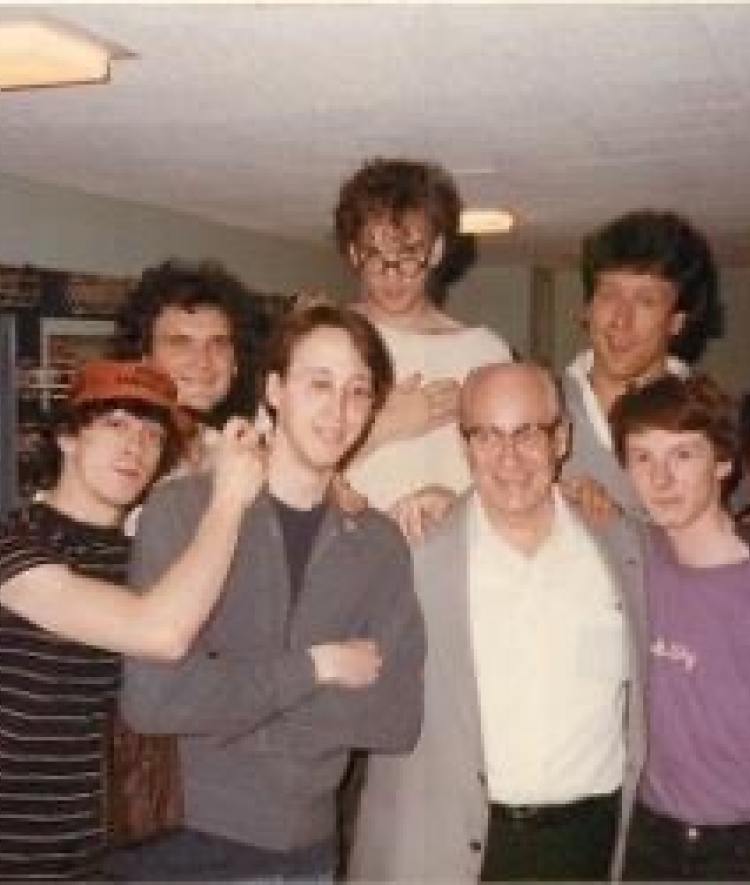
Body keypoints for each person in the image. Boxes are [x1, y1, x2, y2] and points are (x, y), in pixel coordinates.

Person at [118, 303, 426, 881]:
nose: (338, 411)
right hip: (187, 845)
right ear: (275, 390)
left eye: (358, 391)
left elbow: (394, 717)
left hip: (311, 849)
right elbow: (154, 702)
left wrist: (228, 700)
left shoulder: (379, 544)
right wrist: (316, 670)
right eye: (319, 385)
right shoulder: (184, 511)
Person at [350, 362, 633, 882]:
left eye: (527, 433)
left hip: (587, 844)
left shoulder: (622, 551)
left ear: (562, 439)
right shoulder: (414, 555)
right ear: (464, 445)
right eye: (486, 436)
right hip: (448, 850)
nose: (508, 459)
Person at [0, 359, 264, 881]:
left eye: (150, 431)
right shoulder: (14, 546)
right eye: (115, 423)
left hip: (110, 858)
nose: (135, 446)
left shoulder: (150, 561)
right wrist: (229, 498)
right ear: (69, 438)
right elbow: (158, 633)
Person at [609, 373, 750, 881]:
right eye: (643, 457)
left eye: (683, 455)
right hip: (647, 841)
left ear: (725, 462)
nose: (661, 479)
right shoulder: (628, 558)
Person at [335, 157, 513, 536]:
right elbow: (277, 474)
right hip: (345, 561)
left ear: (435, 251)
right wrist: (381, 427)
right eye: (375, 256)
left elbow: (515, 474)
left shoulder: (485, 353)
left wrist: (456, 503)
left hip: (453, 558)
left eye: (409, 255)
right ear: (353, 254)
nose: (392, 274)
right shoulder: (322, 341)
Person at [562, 209, 722, 518]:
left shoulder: (712, 421)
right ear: (587, 309)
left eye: (646, 301)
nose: (621, 320)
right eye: (609, 295)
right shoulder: (539, 411)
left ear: (676, 321)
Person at [116, 257, 265, 472]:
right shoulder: (122, 454)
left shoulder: (233, 452)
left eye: (218, 343)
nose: (203, 361)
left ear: (236, 364)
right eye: (180, 343)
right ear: (144, 358)